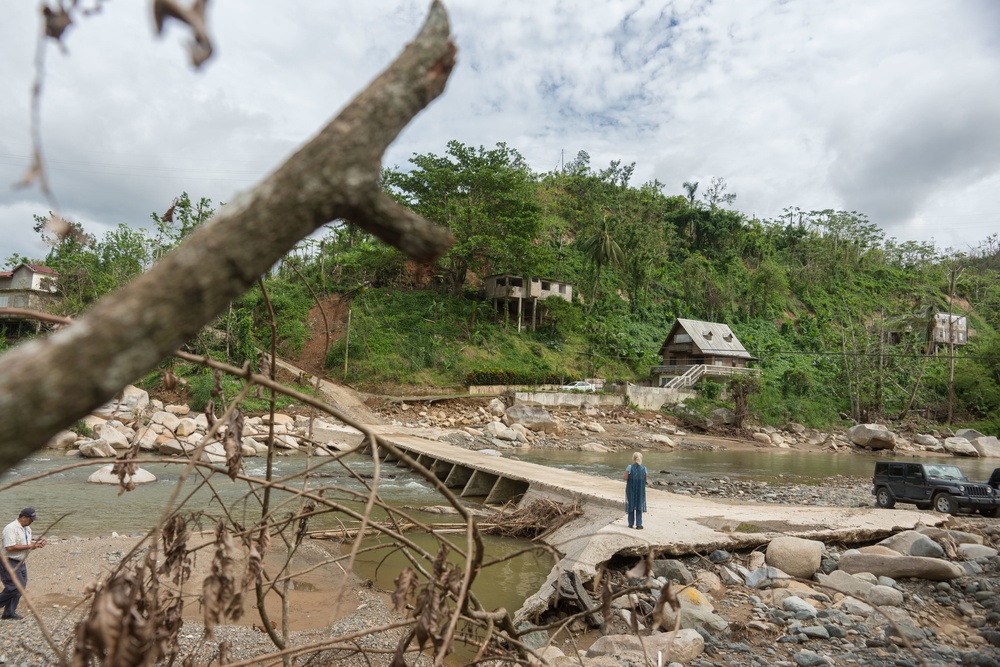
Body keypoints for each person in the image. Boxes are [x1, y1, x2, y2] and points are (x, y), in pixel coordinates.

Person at [1, 508, 46, 620]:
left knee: (21, 586)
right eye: (31, 519)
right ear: (23, 518)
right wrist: (31, 546)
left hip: (20, 561)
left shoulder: (27, 529)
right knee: (14, 587)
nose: (32, 521)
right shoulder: (11, 528)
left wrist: (37, 545)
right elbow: (9, 547)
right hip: (7, 561)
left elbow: (25, 546)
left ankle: (9, 613)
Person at [623, 452, 647, 529]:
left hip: (631, 488)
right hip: (640, 489)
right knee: (639, 505)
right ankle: (639, 524)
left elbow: (625, 478)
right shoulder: (644, 468)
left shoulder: (629, 467)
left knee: (631, 505)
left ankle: (630, 523)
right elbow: (645, 479)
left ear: (633, 458)